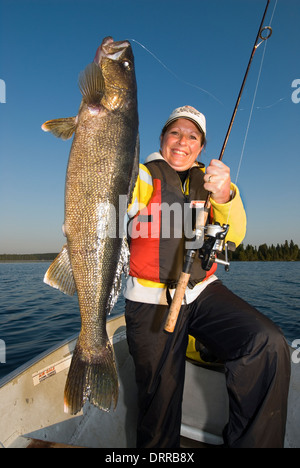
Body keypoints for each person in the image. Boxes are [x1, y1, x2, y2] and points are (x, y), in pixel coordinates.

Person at [124, 105, 291, 448]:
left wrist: (225, 195)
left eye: (192, 136)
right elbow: (123, 200)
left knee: (267, 344)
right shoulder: (142, 175)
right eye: (175, 132)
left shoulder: (214, 181)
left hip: (202, 291)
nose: (182, 142)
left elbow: (235, 236)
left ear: (201, 146)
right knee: (159, 401)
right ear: (162, 138)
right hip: (150, 300)